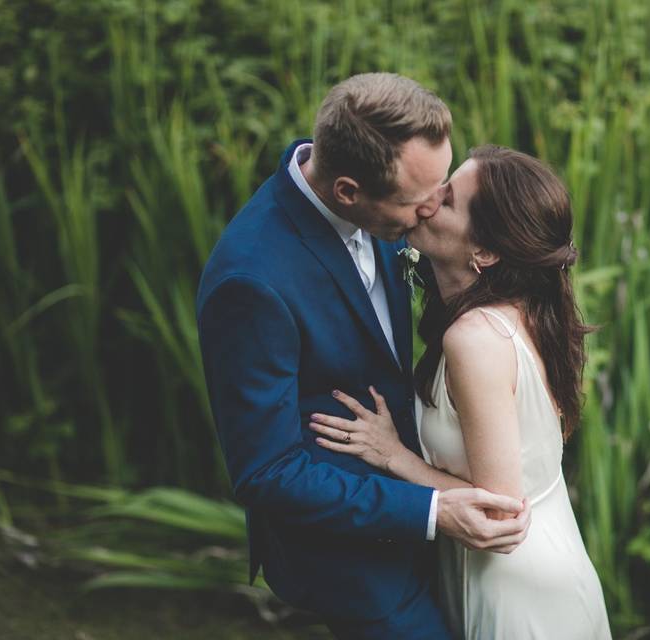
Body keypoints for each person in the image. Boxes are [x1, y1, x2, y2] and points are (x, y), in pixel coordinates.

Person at [196, 74, 530, 640]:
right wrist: (430, 511)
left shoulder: (388, 203)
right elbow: (266, 472)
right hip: (357, 563)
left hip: (443, 533)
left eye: (440, 185)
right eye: (416, 201)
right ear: (348, 191)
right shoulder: (252, 280)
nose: (433, 211)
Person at [308, 145, 612, 639]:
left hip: (516, 595)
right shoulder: (523, 311)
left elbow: (499, 511)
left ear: (486, 252)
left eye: (447, 200)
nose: (426, 200)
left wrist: (394, 456)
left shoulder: (475, 339)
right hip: (545, 565)